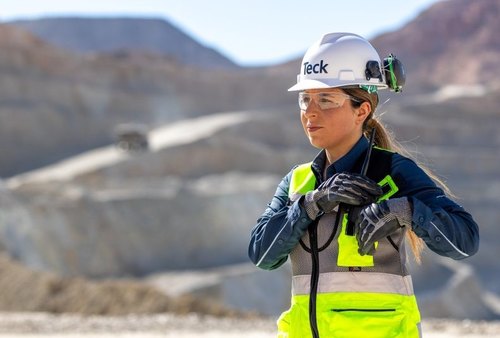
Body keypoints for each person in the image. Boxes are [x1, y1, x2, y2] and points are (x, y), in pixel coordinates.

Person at [248, 32, 479, 338]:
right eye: (305, 99)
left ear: (362, 110)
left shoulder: (393, 173)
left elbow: (464, 241)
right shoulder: (298, 182)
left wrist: (405, 210)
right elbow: (262, 255)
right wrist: (310, 204)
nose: (310, 112)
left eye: (326, 100)